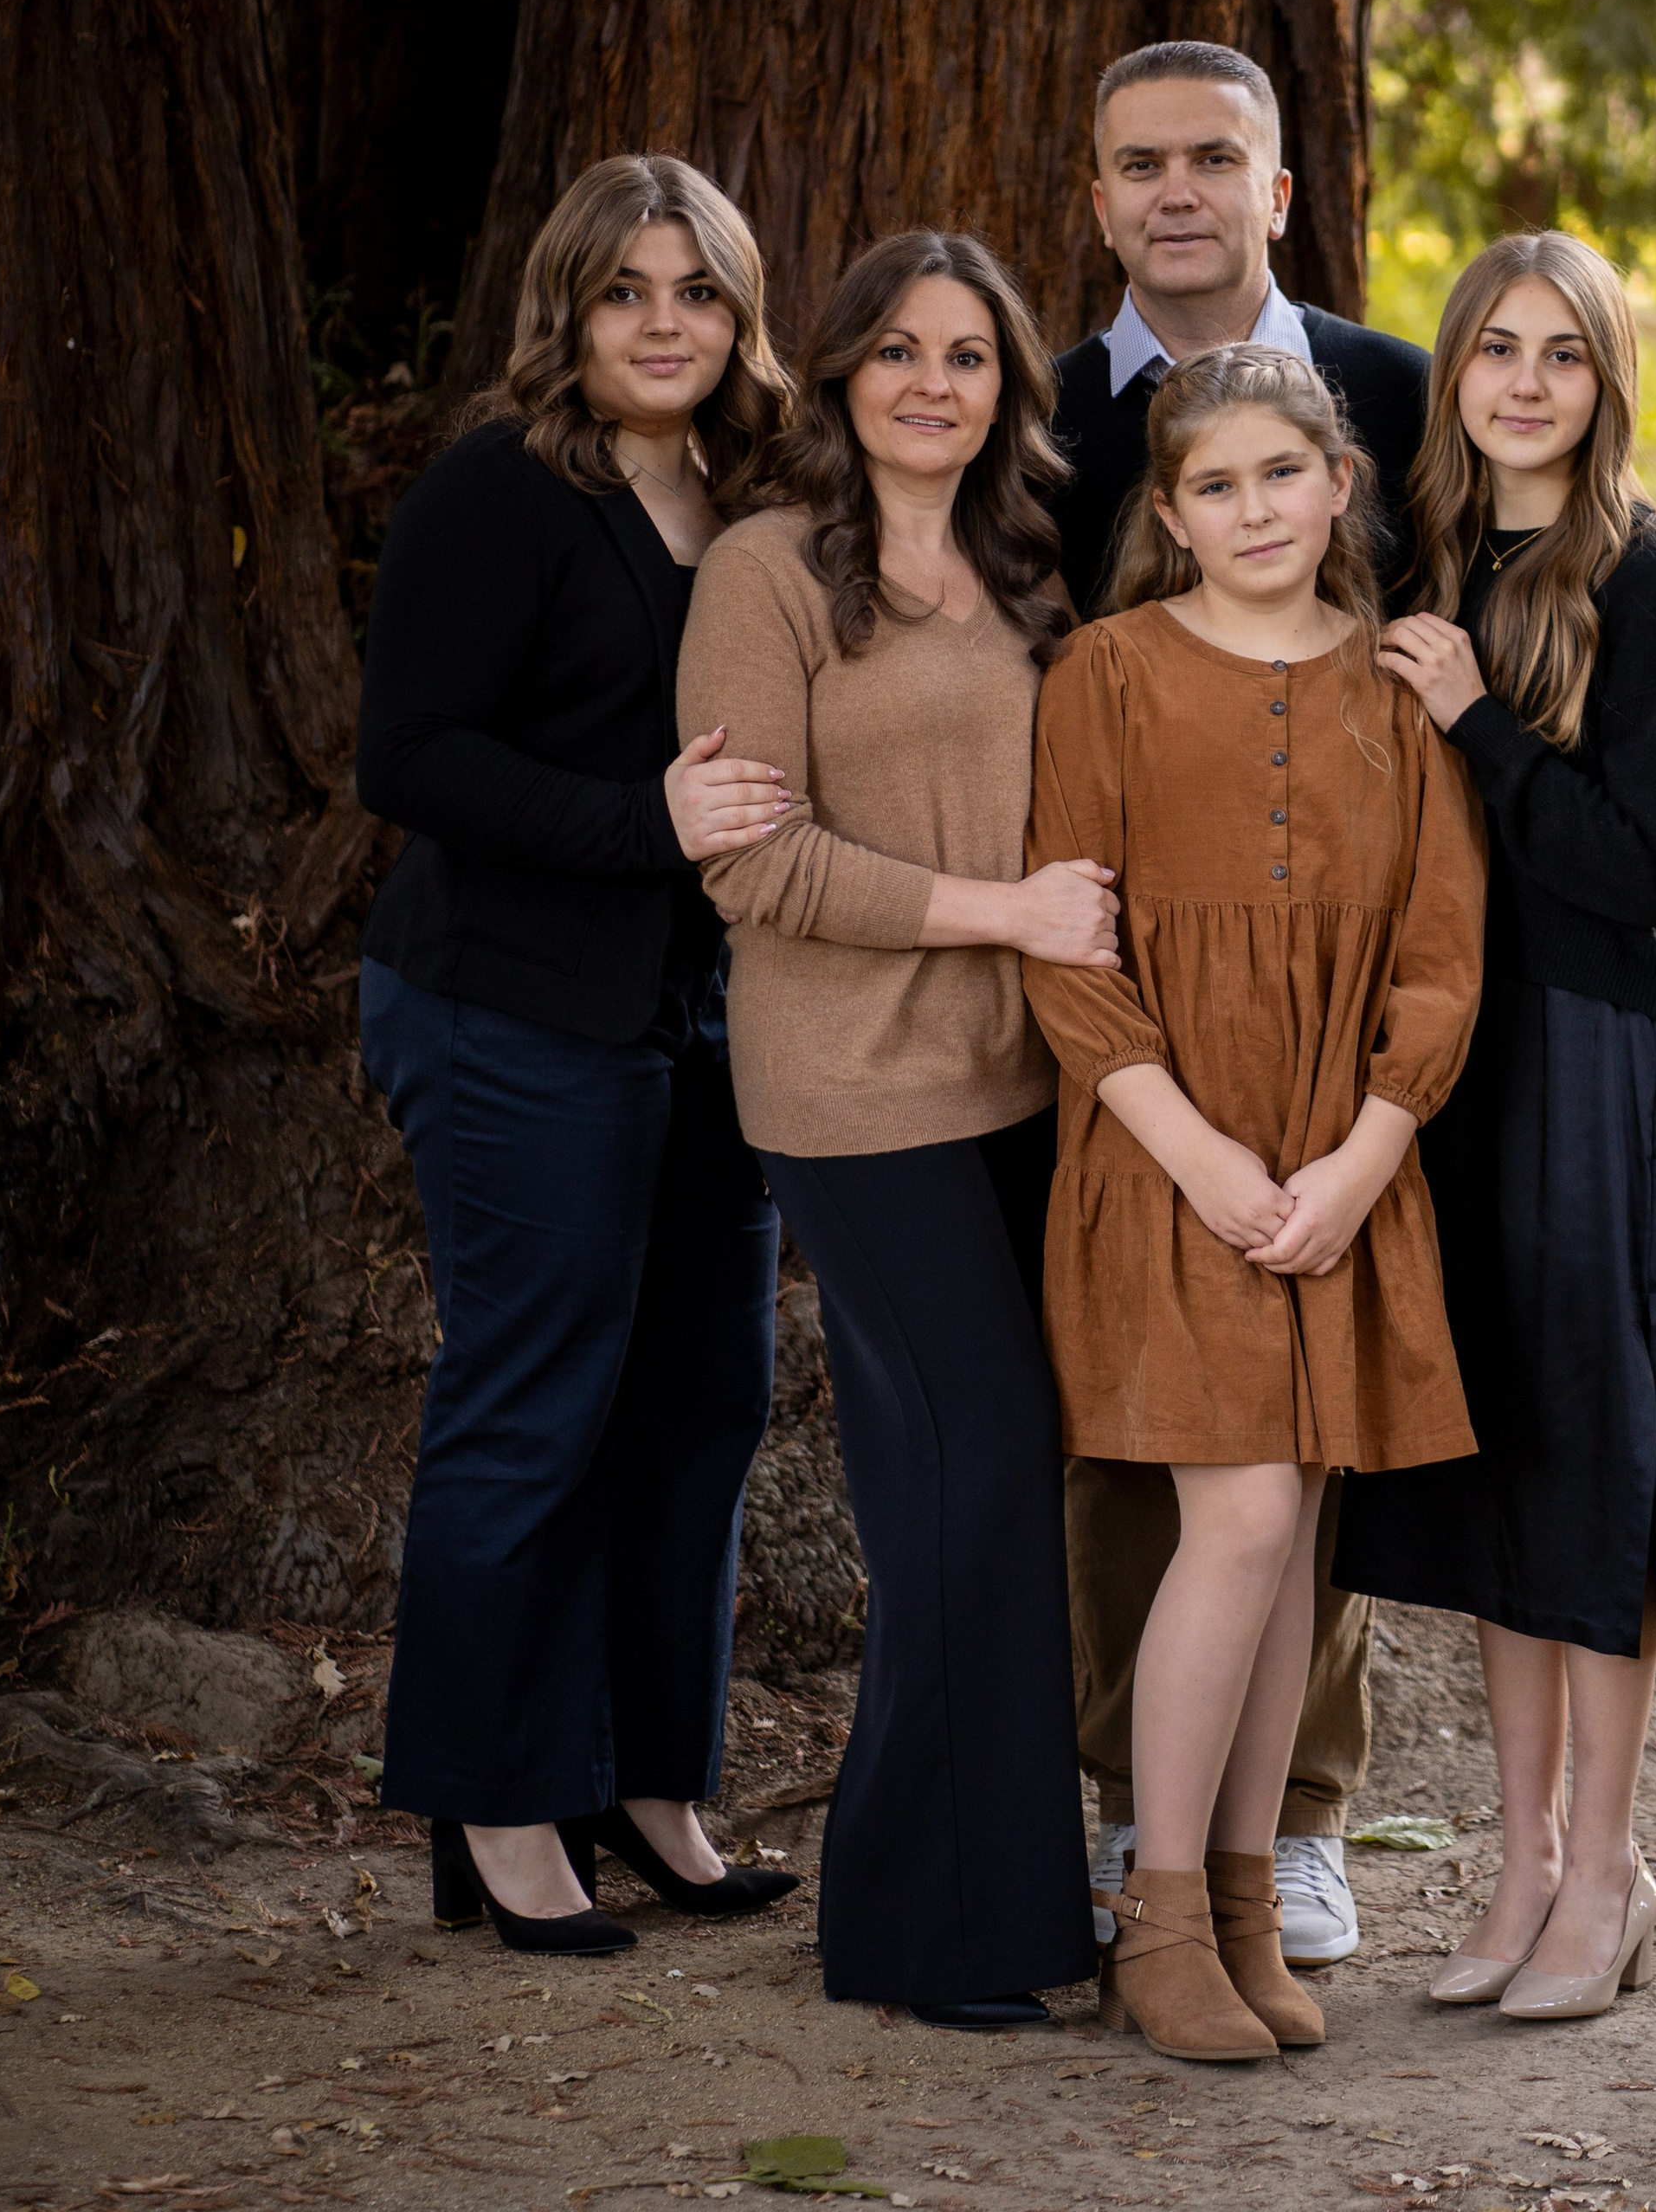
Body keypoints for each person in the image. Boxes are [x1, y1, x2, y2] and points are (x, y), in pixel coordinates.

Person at [356, 154, 801, 1954]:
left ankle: (644, 1787)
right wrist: (650, 821)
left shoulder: (741, 491)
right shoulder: (498, 490)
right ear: (569, 307)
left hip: (700, 1019)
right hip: (509, 1003)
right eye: (627, 290)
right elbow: (411, 759)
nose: (665, 323)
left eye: (696, 291)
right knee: (532, 1405)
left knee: (700, 1404)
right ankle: (493, 1804)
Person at [1024, 344, 1487, 2060]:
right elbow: (1070, 963)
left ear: (1337, 485)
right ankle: (1153, 1917)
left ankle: (1237, 1894)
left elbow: (1438, 961)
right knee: (1231, 1522)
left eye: (1277, 477)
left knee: (1291, 1528)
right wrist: (1206, 1157)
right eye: (1211, 486)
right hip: (1170, 1157)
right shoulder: (1105, 673)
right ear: (1166, 511)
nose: (1249, 511)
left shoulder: (1393, 691)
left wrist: (1361, 1162)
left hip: (1340, 1164)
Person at [678, 230, 1105, 2032]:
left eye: (970, 356)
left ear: (1007, 385)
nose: (934, 383)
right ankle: (926, 1931)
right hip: (853, 1094)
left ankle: (992, 1912)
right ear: (839, 370)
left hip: (1026, 1084)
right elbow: (746, 857)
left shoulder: (1021, 562)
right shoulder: (765, 572)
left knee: (995, 1492)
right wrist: (1002, 915)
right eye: (898, 352)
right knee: (973, 1474)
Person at [1051, 37, 1431, 1965]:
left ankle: (1289, 1827)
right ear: (1100, 195)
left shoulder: (1388, 390)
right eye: (1139, 163)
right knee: (1147, 1432)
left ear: (1278, 189)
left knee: (1306, 1449)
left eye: (1215, 158)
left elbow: (1423, 669)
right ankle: (1148, 1827)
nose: (1176, 190)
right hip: (1126, 1011)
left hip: (1346, 996)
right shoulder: (1049, 418)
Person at [1333, 230, 1656, 2024]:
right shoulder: (1415, 556)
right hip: (1442, 1053)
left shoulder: (1639, 579)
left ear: (1604, 381)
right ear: (1455, 367)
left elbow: (1646, 869)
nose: (1520, 381)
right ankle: (1512, 1873)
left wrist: (1478, 724)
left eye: (1560, 355)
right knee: (1489, 1461)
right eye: (1492, 346)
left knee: (1592, 1454)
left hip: (1586, 1051)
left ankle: (1609, 1863)